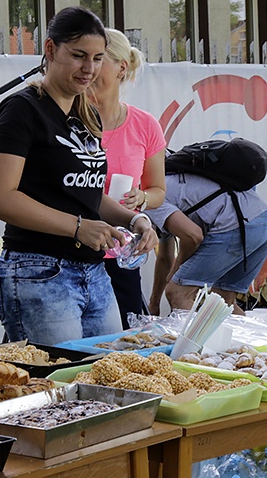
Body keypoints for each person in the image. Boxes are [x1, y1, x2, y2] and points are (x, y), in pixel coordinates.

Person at [0, 6, 158, 344]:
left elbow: (88, 195)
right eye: (78, 56)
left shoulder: (86, 112)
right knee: (54, 388)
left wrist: (136, 220)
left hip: (94, 273)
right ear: (50, 50)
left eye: (97, 58)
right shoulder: (23, 108)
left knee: (105, 379)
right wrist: (78, 227)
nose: (89, 69)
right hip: (39, 271)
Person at [88, 29, 166, 328]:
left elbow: (158, 189)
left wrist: (142, 199)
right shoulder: (69, 120)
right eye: (84, 59)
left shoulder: (145, 125)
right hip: (74, 250)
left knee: (127, 344)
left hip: (121, 253)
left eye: (98, 60)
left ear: (122, 67)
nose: (90, 70)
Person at [146, 171, 267, 314]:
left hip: (237, 225)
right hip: (266, 222)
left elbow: (193, 236)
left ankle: (190, 338)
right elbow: (165, 258)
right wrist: (154, 303)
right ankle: (253, 337)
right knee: (223, 302)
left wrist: (177, 269)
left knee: (178, 293)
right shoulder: (167, 183)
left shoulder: (149, 199)